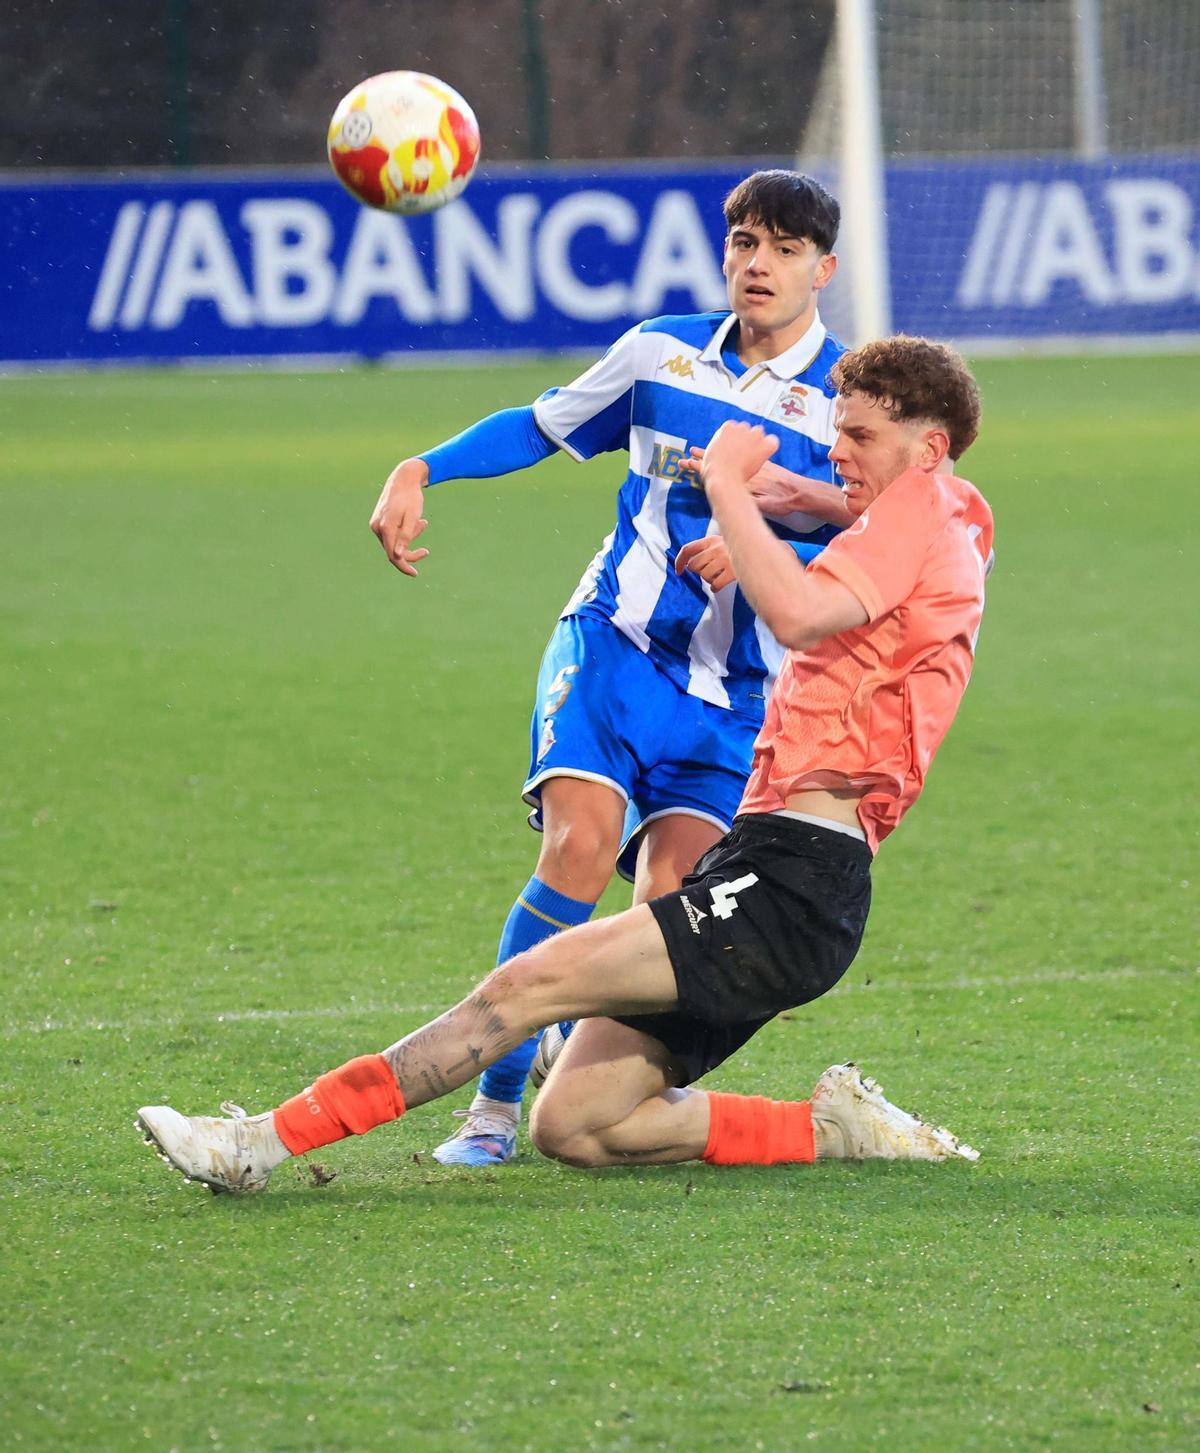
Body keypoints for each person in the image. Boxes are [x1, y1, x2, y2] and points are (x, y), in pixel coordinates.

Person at [137, 334, 992, 1191]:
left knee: (528, 983)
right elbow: (881, 553)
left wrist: (730, 487)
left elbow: (801, 613)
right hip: (781, 870)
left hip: (792, 884)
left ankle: (257, 1144)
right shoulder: (946, 516)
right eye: (837, 431)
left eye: (860, 437)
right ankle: (832, 1130)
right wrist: (808, 497)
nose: (837, 448)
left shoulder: (918, 508)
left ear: (927, 449)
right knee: (577, 1124)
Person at [368, 169, 854, 1167]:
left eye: (784, 249)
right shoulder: (658, 349)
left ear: (825, 269)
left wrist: (775, 552)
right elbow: (539, 426)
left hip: (736, 701)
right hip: (614, 647)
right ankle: (492, 1110)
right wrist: (422, 467)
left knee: (663, 923)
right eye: (743, 243)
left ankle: (581, 1079)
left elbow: (877, 538)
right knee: (578, 848)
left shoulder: (846, 399)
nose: (756, 265)